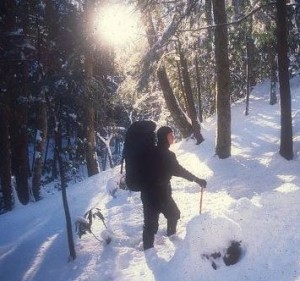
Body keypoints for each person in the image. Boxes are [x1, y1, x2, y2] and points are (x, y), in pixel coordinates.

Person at [141, 126, 207, 250]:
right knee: (154, 224)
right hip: (155, 195)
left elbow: (178, 170)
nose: (173, 137)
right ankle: (153, 248)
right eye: (170, 135)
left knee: (171, 215)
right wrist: (197, 180)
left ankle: (165, 240)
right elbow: (179, 171)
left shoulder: (154, 152)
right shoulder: (164, 155)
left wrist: (196, 179)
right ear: (163, 137)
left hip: (156, 194)